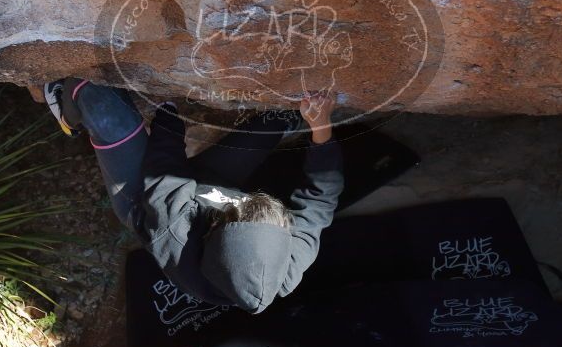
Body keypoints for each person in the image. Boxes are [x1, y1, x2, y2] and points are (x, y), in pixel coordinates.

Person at [44, 79, 343, 314]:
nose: (242, 201)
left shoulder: (175, 236)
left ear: (214, 229)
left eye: (238, 207)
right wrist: (321, 129)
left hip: (147, 198)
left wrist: (167, 106)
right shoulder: (286, 265)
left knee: (101, 104)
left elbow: (165, 170)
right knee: (275, 119)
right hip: (211, 185)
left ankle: (66, 107)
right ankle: (287, 121)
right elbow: (320, 200)